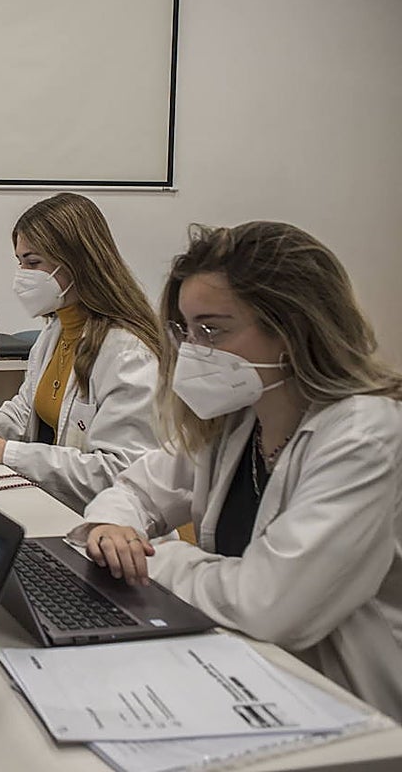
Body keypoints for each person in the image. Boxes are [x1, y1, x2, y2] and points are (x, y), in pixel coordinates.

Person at [72, 221, 402, 721]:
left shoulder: (363, 433)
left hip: (343, 704)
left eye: (213, 330)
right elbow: (140, 487)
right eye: (185, 330)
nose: (191, 351)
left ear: (292, 329)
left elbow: (269, 604)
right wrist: (112, 526)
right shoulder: (242, 415)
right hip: (247, 672)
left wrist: (153, 561)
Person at [0, 193, 162, 511]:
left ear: (77, 262)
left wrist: (2, 451)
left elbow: (120, 472)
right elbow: (24, 413)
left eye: (33, 262)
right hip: (56, 506)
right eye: (20, 261)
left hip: (111, 530)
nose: (22, 274)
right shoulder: (56, 332)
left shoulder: (127, 353)